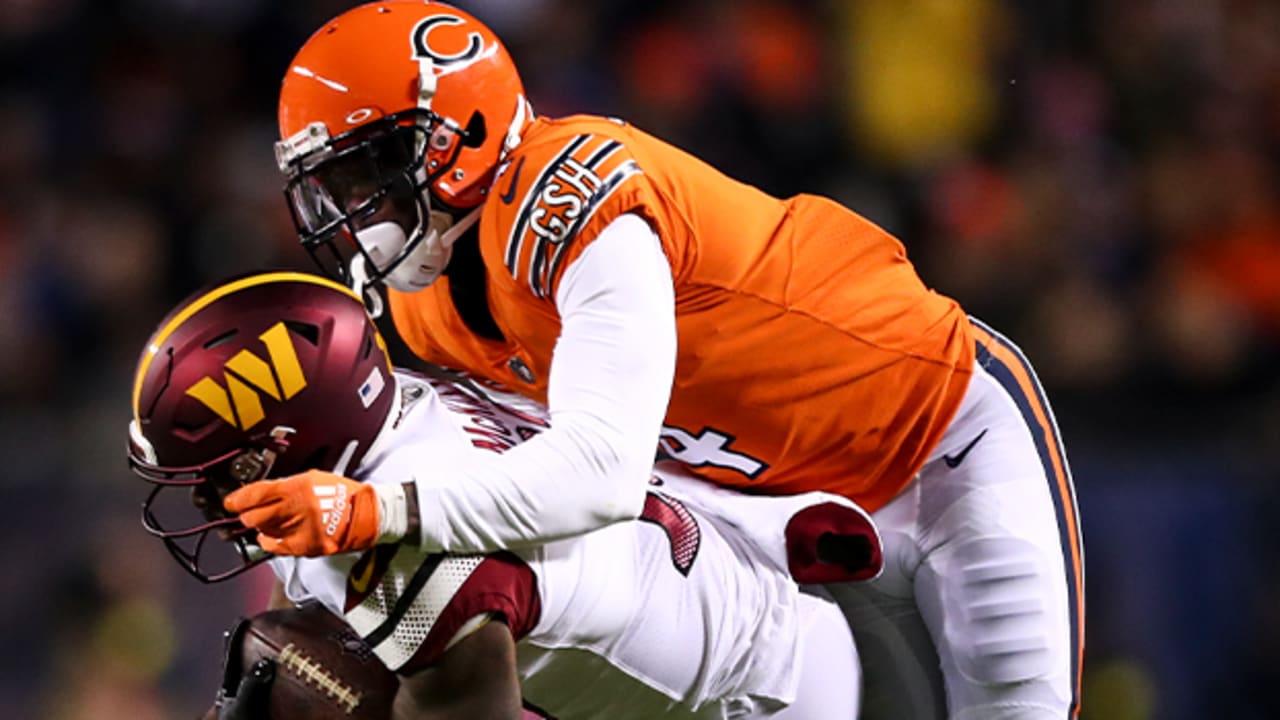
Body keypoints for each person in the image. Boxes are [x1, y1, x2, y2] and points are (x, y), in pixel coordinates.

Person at [247, 2, 1085, 717]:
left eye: (371, 174)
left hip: (936, 435)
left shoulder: (569, 201)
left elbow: (598, 471)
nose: (359, 212)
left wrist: (373, 511)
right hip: (754, 493)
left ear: (456, 128)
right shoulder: (421, 305)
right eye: (338, 188)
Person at [127, 271, 884, 719]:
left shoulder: (406, 544)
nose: (207, 505)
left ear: (299, 437)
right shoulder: (401, 409)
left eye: (226, 472)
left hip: (764, 699)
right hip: (756, 626)